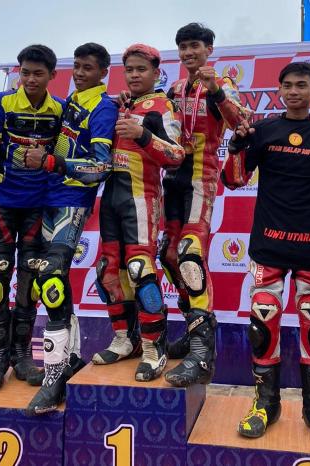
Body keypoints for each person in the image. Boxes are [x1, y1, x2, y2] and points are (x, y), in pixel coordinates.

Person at [222, 62, 310, 448]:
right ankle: (266, 404)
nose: (293, 91)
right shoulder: (262, 130)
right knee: (262, 325)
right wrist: (237, 145)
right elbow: (234, 179)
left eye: (302, 85)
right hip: (268, 244)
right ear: (279, 90)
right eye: (287, 85)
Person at [24, 42, 118, 414]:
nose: (79, 73)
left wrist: (53, 163)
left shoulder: (103, 107)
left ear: (103, 72)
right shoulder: (68, 103)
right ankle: (71, 360)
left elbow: (101, 166)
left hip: (72, 200)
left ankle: (54, 378)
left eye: (88, 68)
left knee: (51, 278)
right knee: (49, 282)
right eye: (77, 66)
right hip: (43, 198)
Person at [157, 23, 250, 388]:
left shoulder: (221, 83)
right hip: (172, 179)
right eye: (182, 47)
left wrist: (217, 92)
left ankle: (202, 353)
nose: (188, 53)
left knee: (190, 254)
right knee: (169, 256)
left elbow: (242, 123)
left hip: (201, 178)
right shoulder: (174, 89)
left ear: (209, 48)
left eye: (194, 45)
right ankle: (194, 325)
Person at [0, 44, 64, 393]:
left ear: (52, 75)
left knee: (30, 283)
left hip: (39, 205)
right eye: (25, 72)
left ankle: (22, 356)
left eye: (38, 73)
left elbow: (63, 160)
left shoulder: (61, 110)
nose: (30, 79)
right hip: (1, 202)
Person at [92, 44, 184, 381]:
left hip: (141, 199)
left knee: (140, 270)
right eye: (129, 69)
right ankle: (124, 340)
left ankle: (154, 348)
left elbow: (176, 156)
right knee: (107, 271)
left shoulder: (163, 106)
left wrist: (142, 134)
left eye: (141, 69)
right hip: (110, 198)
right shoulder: (119, 104)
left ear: (156, 73)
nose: (133, 75)